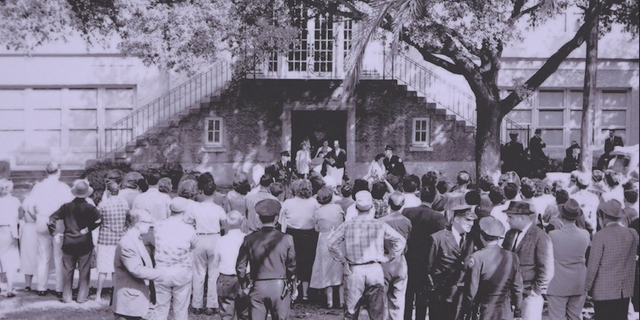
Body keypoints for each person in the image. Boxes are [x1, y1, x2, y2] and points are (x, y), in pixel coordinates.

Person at [327, 191, 406, 320]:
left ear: (356, 208)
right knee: (377, 312)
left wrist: (343, 261)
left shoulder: (347, 225)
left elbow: (331, 244)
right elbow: (400, 240)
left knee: (351, 313)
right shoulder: (380, 224)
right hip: (375, 269)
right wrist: (390, 257)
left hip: (354, 270)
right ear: (371, 207)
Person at [236, 199, 297, 320]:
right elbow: (292, 266)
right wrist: (292, 285)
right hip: (280, 287)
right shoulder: (287, 239)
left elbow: (240, 266)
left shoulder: (249, 239)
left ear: (259, 218)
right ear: (276, 218)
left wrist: (244, 286)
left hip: (257, 286)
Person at [22, 162, 74, 297]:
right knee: (58, 256)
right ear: (58, 171)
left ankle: (41, 287)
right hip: (58, 222)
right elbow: (69, 207)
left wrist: (37, 217)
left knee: (42, 255)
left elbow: (30, 207)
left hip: (42, 219)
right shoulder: (63, 187)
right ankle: (59, 287)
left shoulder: (38, 187)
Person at [47, 180, 102, 303]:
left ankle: (66, 296)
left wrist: (54, 233)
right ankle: (82, 297)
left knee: (67, 270)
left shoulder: (66, 207)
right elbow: (99, 220)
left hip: (68, 242)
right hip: (84, 242)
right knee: (84, 270)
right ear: (86, 194)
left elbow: (51, 219)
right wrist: (88, 228)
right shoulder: (90, 208)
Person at [458, 216, 523, 320]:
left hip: (484, 311)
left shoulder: (477, 257)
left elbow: (471, 292)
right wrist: (518, 312)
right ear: (498, 238)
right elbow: (517, 288)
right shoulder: (512, 257)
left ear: (481, 236)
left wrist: (465, 312)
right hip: (506, 312)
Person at [585, 199, 639, 320]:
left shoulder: (600, 236)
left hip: (603, 292)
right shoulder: (632, 234)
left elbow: (593, 266)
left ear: (604, 216)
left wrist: (586, 288)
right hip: (624, 292)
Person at [502, 201, 554, 320]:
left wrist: (535, 291)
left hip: (529, 295)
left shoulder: (541, 237)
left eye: (510, 217)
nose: (507, 220)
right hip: (511, 293)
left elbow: (547, 269)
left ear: (522, 218)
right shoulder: (509, 234)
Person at [401, 185, 447, 320]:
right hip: (427, 259)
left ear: (420, 196)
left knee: (408, 293)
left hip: (409, 257)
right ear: (434, 199)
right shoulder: (437, 217)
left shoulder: (407, 211)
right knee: (422, 294)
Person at [426, 206, 479, 320]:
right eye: (468, 220)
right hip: (441, 295)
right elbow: (428, 269)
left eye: (472, 221)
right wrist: (434, 290)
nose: (471, 224)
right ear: (457, 219)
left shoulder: (472, 239)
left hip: (462, 295)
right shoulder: (438, 238)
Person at [112, 208, 165, 320]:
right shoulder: (127, 243)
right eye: (148, 222)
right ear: (138, 224)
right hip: (129, 303)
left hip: (136, 300)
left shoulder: (136, 239)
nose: (151, 225)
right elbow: (136, 270)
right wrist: (163, 273)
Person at [547, 199, 590, 320]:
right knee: (575, 316)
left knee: (556, 317)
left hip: (558, 283)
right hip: (578, 282)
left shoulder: (553, 235)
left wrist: (552, 222)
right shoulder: (585, 234)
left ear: (561, 215)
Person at [154, 197, 197, 320]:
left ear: (170, 209)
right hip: (181, 270)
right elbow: (194, 245)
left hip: (162, 269)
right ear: (184, 210)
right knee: (181, 310)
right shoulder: (189, 229)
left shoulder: (158, 225)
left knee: (160, 309)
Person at [191, 182, 227, 316]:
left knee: (199, 272)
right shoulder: (218, 209)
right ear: (214, 193)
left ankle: (197, 303)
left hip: (200, 238)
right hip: (214, 239)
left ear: (202, 192)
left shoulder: (196, 207)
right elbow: (224, 225)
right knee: (213, 273)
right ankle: (211, 304)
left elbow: (189, 221)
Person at [278, 179, 318, 301]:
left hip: (292, 235)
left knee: (292, 262)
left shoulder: (288, 203)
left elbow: (280, 220)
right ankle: (305, 293)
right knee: (307, 262)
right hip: (309, 235)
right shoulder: (314, 203)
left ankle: (293, 291)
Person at [310, 186, 345, 308]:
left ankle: (329, 300)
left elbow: (316, 228)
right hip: (338, 239)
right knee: (339, 267)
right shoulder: (338, 208)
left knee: (326, 268)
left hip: (324, 239)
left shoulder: (318, 211)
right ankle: (341, 300)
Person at [379, 192, 412, 320]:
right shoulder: (407, 222)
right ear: (403, 204)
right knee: (398, 299)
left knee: (382, 298)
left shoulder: (381, 221)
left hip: (384, 260)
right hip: (400, 261)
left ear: (388, 203)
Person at [95, 181, 130, 301]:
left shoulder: (103, 204)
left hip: (105, 239)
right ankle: (115, 294)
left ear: (108, 191)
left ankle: (98, 295)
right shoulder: (124, 203)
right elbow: (127, 219)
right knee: (116, 268)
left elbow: (97, 220)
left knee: (103, 269)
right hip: (119, 239)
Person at [212, 211, 248, 320]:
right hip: (244, 277)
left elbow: (216, 262)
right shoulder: (247, 238)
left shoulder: (221, 240)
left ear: (227, 222)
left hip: (226, 276)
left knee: (226, 312)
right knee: (245, 311)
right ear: (241, 222)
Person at [0, 179, 20, 298]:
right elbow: (18, 216)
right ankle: (10, 288)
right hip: (9, 230)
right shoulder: (14, 201)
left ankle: (1, 285)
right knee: (10, 258)